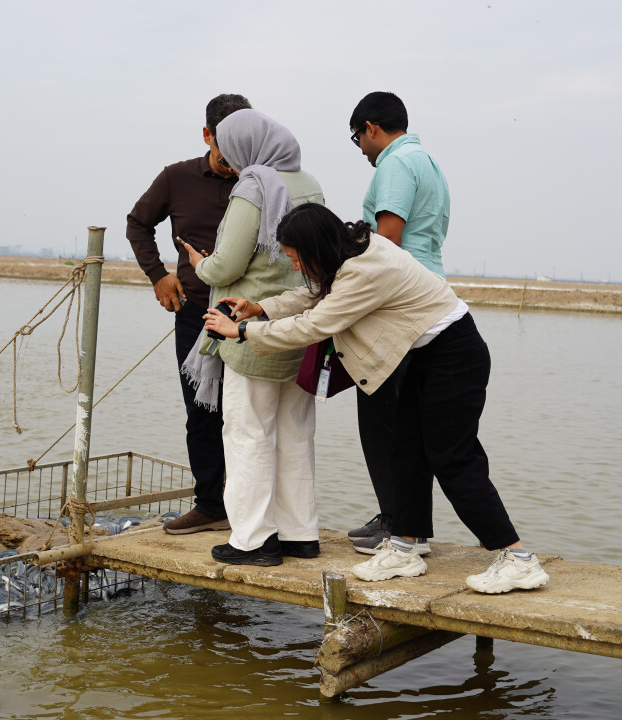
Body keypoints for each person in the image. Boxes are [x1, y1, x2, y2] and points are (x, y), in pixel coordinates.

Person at [203, 203, 549, 594]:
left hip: (453, 355)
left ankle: (517, 558)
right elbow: (314, 294)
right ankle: (404, 546)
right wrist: (261, 307)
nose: (296, 267)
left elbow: (315, 324)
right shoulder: (349, 251)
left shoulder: (364, 269)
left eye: (297, 258)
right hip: (419, 355)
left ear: (317, 248)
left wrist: (242, 331)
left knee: (453, 458)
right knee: (404, 451)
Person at [180, 109, 325, 567]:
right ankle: (300, 534)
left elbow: (226, 266)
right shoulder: (310, 183)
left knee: (247, 433)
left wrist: (199, 263)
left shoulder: (253, 187)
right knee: (295, 431)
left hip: (251, 327)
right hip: (300, 326)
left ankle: (254, 540)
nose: (224, 157)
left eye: (226, 148)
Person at [126, 93, 252, 535]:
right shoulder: (176, 177)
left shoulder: (261, 180)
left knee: (250, 413)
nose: (233, 157)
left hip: (252, 316)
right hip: (196, 313)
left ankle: (251, 508)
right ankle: (210, 504)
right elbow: (138, 223)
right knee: (202, 412)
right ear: (207, 135)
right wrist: (158, 275)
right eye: (225, 145)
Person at [345, 91, 453, 555]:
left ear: (371, 128)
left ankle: (397, 524)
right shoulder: (427, 161)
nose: (361, 150)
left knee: (382, 415)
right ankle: (408, 524)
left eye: (358, 139)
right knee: (407, 419)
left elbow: (387, 239)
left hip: (397, 302)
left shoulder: (394, 163)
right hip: (427, 293)